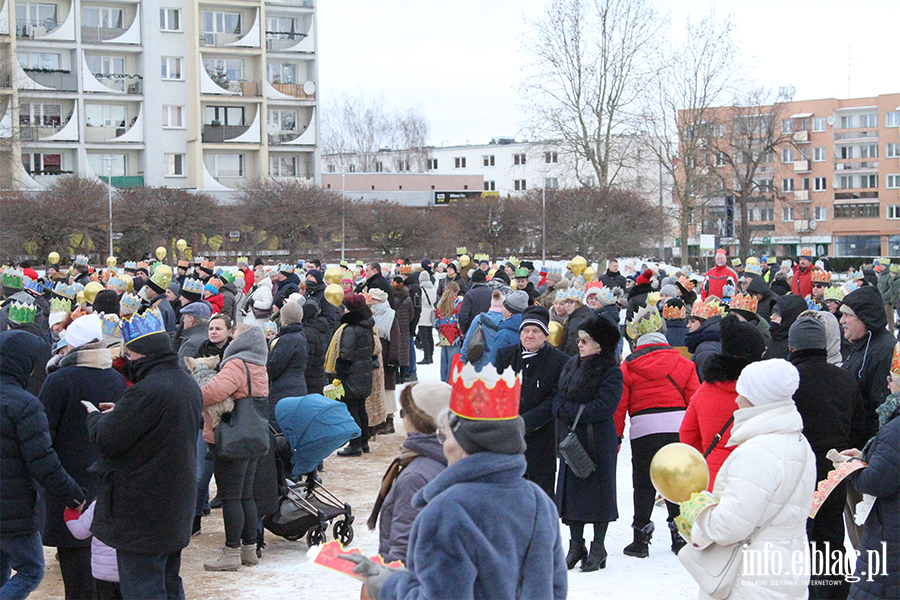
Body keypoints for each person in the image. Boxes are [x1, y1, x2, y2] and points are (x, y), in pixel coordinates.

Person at [354, 363, 566, 600]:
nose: (444, 445)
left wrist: (388, 585)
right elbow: (556, 590)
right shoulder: (539, 502)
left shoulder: (446, 511)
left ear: (465, 443)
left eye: (446, 435)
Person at [86, 308, 202, 599]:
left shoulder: (147, 391)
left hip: (143, 511)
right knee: (168, 582)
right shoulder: (185, 383)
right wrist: (122, 413)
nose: (128, 360)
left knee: (143, 589)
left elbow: (107, 440)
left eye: (131, 354)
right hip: (175, 505)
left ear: (141, 354)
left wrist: (95, 418)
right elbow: (160, 427)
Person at [679, 359, 816, 599]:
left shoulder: (757, 451)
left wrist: (698, 510)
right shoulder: (800, 442)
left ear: (757, 399)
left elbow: (728, 527)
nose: (736, 399)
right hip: (789, 562)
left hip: (751, 574)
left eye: (742, 393)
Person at [38, 314, 126, 600]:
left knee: (76, 573)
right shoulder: (115, 379)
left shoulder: (59, 380)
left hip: (68, 483)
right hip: (107, 483)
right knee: (104, 568)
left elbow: (43, 433)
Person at [1, 330, 86, 600]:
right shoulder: (25, 405)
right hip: (13, 508)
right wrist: (72, 494)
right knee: (31, 570)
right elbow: (42, 461)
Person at [788, 314, 864, 598]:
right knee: (830, 539)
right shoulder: (844, 379)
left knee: (793, 540)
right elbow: (859, 426)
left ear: (793, 347)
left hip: (795, 472)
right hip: (833, 472)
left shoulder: (787, 380)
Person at [617, 315, 700, 557]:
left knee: (643, 483)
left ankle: (640, 539)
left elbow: (620, 407)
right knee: (676, 481)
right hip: (677, 426)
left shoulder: (628, 366)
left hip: (644, 428)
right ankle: (679, 537)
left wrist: (616, 437)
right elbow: (694, 402)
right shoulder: (685, 363)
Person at [553, 315, 622, 572]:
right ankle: (575, 545)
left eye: (585, 341)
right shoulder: (572, 365)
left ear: (599, 345)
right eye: (579, 340)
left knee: (598, 494)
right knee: (573, 496)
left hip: (597, 439)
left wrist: (569, 410)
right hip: (572, 438)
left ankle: (598, 547)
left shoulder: (611, 370)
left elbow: (603, 407)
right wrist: (566, 408)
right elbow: (558, 398)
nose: (579, 344)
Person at [200, 324, 269, 571]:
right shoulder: (259, 365)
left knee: (230, 497)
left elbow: (214, 391)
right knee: (246, 495)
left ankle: (231, 552)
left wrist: (197, 392)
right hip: (253, 437)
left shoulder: (237, 364)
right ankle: (248, 550)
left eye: (235, 335)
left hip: (231, 438)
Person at [680, 314, 767, 489]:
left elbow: (687, 434)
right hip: (755, 480)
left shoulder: (706, 389)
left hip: (712, 479)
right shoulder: (764, 391)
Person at [369, 382, 452, 563]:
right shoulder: (450, 456)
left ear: (417, 419)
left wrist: (384, 582)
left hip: (412, 587)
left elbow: (403, 551)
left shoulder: (415, 476)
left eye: (404, 412)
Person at [841, 357, 900, 600]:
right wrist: (868, 455)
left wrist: (854, 468)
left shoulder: (894, 430)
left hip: (891, 536)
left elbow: (878, 481)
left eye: (892, 380)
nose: (888, 386)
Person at [495, 306, 568, 497]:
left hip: (541, 441)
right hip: (507, 440)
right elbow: (495, 389)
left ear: (545, 335)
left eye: (536, 331)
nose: (530, 335)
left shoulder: (559, 361)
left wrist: (523, 422)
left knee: (539, 497)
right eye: (526, 330)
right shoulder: (505, 355)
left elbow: (554, 399)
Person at [330, 294, 376, 457]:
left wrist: (339, 376)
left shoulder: (350, 329)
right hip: (363, 373)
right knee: (360, 408)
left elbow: (346, 355)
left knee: (352, 410)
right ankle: (363, 442)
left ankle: (355, 444)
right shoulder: (366, 326)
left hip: (352, 375)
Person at [266, 301, 308, 425]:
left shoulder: (286, 340)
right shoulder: (301, 337)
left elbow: (274, 367)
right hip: (298, 385)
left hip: (284, 389)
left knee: (280, 425)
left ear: (283, 318)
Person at [684, 299, 723, 382]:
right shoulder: (707, 343)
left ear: (704, 323)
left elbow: (708, 383)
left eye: (693, 321)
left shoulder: (706, 348)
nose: (688, 325)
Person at [763, 294, 810, 360]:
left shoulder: (796, 346)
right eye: (773, 312)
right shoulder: (776, 338)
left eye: (777, 313)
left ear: (789, 316)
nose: (772, 317)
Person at [434, 282, 463, 382]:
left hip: (443, 333)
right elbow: (459, 318)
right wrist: (461, 333)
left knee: (444, 358)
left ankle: (443, 380)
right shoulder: (458, 302)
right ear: (457, 291)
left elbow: (436, 318)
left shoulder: (441, 301)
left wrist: (439, 329)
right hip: (454, 334)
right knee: (453, 359)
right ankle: (451, 381)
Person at [300, 298, 329, 395]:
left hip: (310, 380)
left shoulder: (308, 333)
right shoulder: (319, 328)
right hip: (318, 375)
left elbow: (307, 360)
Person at [176, 301, 211, 370]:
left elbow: (181, 369)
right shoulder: (208, 336)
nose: (183, 321)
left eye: (185, 317)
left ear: (192, 320)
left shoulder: (191, 343)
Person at [560, 289, 595, 357]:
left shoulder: (577, 320)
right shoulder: (586, 314)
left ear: (578, 304)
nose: (567, 305)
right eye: (566, 302)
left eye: (571, 302)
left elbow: (573, 345)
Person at [456, 269, 492, 335]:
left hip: (473, 331)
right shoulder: (492, 293)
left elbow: (463, 315)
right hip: (490, 331)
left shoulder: (469, 294)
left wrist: (465, 330)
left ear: (473, 282)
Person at [416, 271, 436, 365]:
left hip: (423, 314)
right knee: (429, 335)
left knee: (424, 337)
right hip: (431, 313)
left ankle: (426, 356)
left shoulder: (421, 289)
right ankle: (431, 355)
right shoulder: (433, 288)